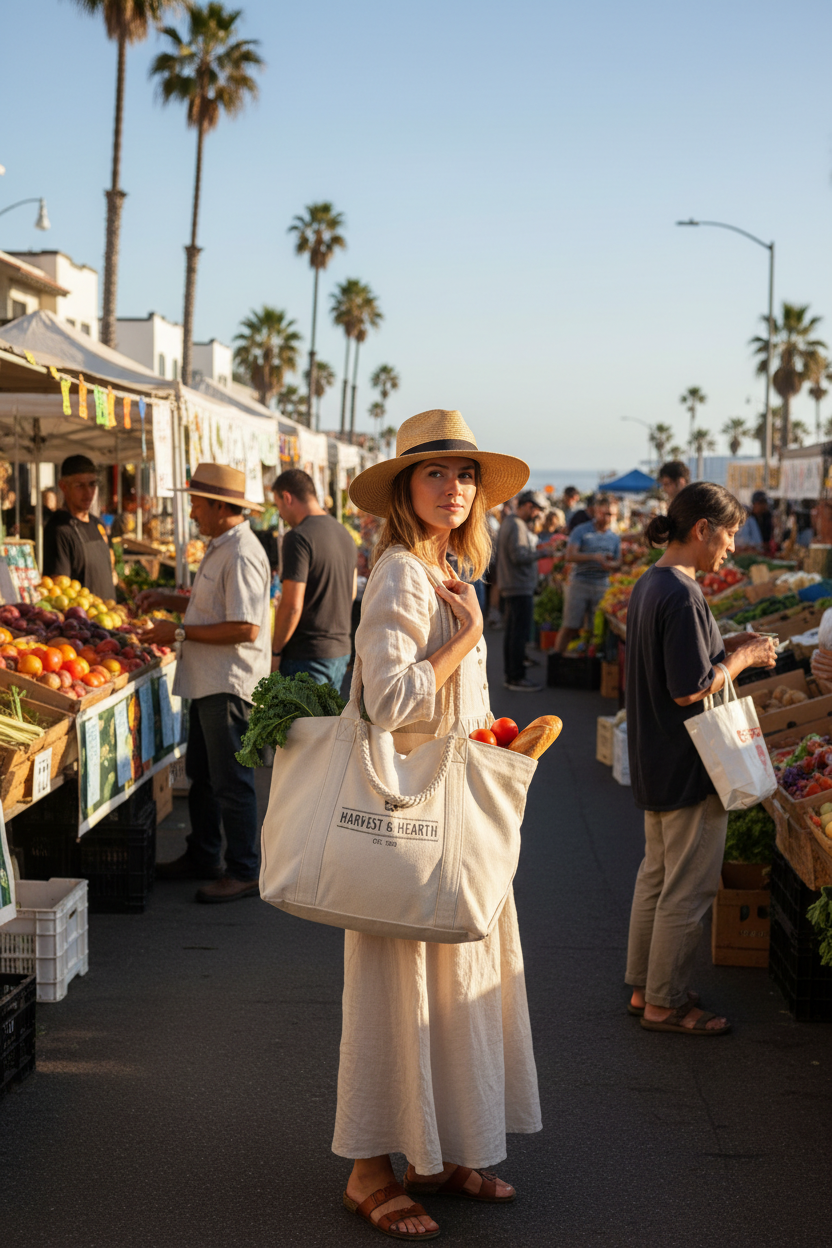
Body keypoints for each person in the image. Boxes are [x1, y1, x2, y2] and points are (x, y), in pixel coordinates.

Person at [336, 408, 541, 1240]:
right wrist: (469, 637)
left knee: (458, 983)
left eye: (464, 475)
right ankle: (366, 1169)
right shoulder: (398, 573)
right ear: (403, 489)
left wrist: (500, 745)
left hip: (458, 811)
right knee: (401, 988)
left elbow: (461, 704)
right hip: (410, 816)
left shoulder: (446, 567)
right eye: (435, 473)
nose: (454, 487)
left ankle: (447, 1148)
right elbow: (389, 702)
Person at [624, 483, 777, 1035]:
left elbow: (676, 658)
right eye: (730, 534)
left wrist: (731, 642)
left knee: (658, 878)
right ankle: (664, 1003)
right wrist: (744, 658)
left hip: (655, 755)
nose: (733, 547)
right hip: (690, 759)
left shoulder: (653, 582)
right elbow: (691, 687)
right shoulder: (681, 593)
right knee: (688, 888)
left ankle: (645, 988)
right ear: (702, 530)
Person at [137, 463, 271, 904]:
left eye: (197, 503)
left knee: (231, 781)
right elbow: (215, 608)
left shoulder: (242, 552)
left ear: (219, 506)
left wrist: (176, 632)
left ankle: (244, 869)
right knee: (203, 776)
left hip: (228, 685)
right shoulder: (222, 546)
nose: (192, 511)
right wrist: (171, 601)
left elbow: (245, 627)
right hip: (207, 681)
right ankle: (205, 855)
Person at [270, 469, 357, 689]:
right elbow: (352, 592)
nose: (280, 514)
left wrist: (275, 651)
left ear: (287, 498)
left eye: (278, 505)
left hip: (306, 656)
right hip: (340, 651)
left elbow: (291, 605)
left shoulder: (297, 537)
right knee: (329, 722)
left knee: (301, 724)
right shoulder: (343, 533)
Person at [496, 489, 554, 691]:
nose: (538, 515)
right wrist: (544, 553)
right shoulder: (516, 525)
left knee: (513, 633)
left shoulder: (511, 523)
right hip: (517, 586)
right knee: (517, 634)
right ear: (529, 506)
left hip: (514, 585)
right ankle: (515, 676)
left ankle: (513, 674)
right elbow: (519, 556)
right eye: (538, 510)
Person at [42, 455, 116, 601]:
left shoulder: (98, 525)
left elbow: (110, 571)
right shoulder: (59, 530)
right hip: (82, 622)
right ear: (63, 486)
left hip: (110, 617)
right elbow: (58, 592)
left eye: (92, 484)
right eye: (80, 486)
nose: (88, 493)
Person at [556, 493, 620, 653]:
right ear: (596, 511)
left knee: (594, 631)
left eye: (611, 514)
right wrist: (594, 557)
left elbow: (619, 561)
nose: (608, 518)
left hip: (601, 586)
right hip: (580, 584)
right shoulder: (581, 531)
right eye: (604, 513)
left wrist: (610, 564)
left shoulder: (614, 537)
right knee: (570, 626)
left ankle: (585, 664)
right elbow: (569, 556)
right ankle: (557, 659)